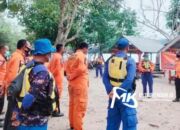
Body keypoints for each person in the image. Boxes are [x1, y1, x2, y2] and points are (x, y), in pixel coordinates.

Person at [103, 37, 138, 130]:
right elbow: (129, 80)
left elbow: (105, 77)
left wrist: (110, 91)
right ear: (128, 48)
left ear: (117, 47)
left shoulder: (109, 60)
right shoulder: (130, 60)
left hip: (112, 95)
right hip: (126, 95)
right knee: (129, 124)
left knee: (112, 123)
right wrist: (117, 92)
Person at [66, 42, 89, 130]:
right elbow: (81, 69)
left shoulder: (71, 56)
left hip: (72, 85)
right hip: (80, 85)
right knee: (79, 107)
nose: (87, 51)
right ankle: (78, 127)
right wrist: (72, 76)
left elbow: (66, 69)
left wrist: (69, 77)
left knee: (72, 105)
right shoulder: (81, 55)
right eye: (87, 49)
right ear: (84, 48)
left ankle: (72, 124)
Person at [48, 44, 65, 117]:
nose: (64, 49)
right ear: (61, 49)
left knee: (54, 94)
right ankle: (56, 111)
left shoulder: (54, 56)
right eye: (64, 48)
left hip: (54, 77)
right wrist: (53, 76)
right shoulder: (59, 57)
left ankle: (54, 109)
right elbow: (57, 69)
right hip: (57, 79)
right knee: (57, 95)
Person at [0, 45, 9, 127]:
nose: (7, 51)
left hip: (2, 82)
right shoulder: (0, 58)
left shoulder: (3, 58)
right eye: (6, 50)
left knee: (1, 101)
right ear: (2, 49)